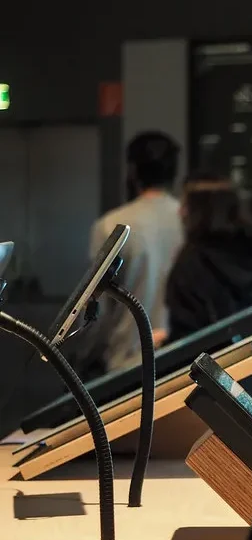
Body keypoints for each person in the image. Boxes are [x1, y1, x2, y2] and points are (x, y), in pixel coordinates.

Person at [80, 131, 184, 372]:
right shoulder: (190, 222)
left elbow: (97, 309)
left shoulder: (111, 225)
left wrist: (83, 356)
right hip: (183, 360)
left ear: (133, 171)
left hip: (126, 364)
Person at [164, 164, 252, 343]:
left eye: (185, 205)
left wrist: (164, 344)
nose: (180, 211)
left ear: (200, 211)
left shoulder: (190, 263)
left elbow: (189, 339)